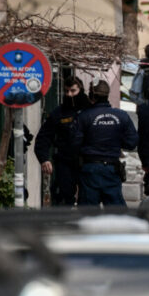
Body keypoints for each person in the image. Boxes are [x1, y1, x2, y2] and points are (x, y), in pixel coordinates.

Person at [73, 81, 138, 207]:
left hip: (90, 170)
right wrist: (116, 141)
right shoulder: (122, 116)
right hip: (111, 170)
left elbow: (74, 144)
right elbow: (132, 143)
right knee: (116, 216)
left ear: (91, 95)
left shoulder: (83, 116)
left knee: (87, 216)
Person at [34, 76, 90, 206]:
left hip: (87, 162)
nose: (69, 94)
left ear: (80, 90)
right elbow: (44, 136)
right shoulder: (58, 113)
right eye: (66, 91)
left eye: (73, 91)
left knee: (88, 200)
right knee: (63, 199)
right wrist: (44, 158)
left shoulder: (90, 110)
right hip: (65, 162)